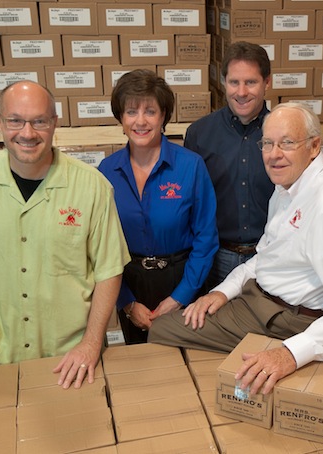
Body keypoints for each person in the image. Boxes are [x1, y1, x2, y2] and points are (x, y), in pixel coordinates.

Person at [149, 102, 323, 395]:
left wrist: (290, 354)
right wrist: (223, 290)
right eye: (267, 143)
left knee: (161, 330)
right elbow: (267, 256)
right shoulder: (288, 186)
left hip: (287, 319)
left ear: (314, 146)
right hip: (257, 299)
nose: (273, 155)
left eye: (287, 143)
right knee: (169, 327)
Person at [0, 80, 130, 389]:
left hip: (72, 359)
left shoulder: (91, 186)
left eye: (39, 121)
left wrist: (91, 343)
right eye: (15, 120)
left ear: (54, 123)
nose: (27, 133)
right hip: (3, 352)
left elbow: (109, 271)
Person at [98, 69, 218, 345]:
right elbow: (101, 245)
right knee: (140, 369)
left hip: (183, 281)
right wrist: (126, 301)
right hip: (129, 283)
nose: (140, 121)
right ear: (121, 118)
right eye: (131, 112)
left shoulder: (190, 166)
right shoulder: (106, 171)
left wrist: (180, 297)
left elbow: (206, 238)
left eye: (150, 111)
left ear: (164, 116)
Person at [183, 41, 274, 289]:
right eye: (234, 82)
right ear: (224, 82)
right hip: (216, 260)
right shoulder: (199, 134)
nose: (241, 92)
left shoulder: (284, 134)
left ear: (267, 82)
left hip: (271, 258)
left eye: (251, 82)